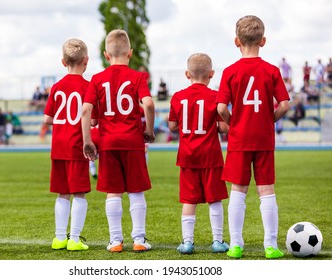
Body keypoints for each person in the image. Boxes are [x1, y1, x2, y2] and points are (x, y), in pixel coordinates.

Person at [216, 15, 290, 259]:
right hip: (264, 138)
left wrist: (233, 122)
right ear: (264, 41)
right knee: (266, 190)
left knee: (238, 190)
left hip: (239, 138)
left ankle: (236, 245)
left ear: (237, 42)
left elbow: (220, 108)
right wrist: (270, 119)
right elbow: (285, 104)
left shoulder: (230, 71)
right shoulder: (271, 70)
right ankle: (271, 246)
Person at [81, 29, 155, 253]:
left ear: (106, 55)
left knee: (113, 191)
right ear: (130, 53)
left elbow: (86, 111)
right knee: (136, 191)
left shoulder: (97, 79)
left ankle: (115, 241)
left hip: (109, 142)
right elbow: (149, 104)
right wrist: (149, 130)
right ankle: (139, 239)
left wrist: (87, 140)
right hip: (132, 141)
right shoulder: (138, 77)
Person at [168, 53, 229, 254]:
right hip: (210, 155)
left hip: (187, 155)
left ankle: (187, 242)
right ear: (211, 74)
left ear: (187, 74)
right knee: (214, 199)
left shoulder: (177, 97)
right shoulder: (216, 96)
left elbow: (172, 125)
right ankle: (218, 241)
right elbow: (222, 128)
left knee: (189, 200)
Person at [43, 38, 91, 251]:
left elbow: (47, 119)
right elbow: (92, 118)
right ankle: (74, 239)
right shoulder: (89, 87)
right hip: (77, 145)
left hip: (58, 146)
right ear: (86, 61)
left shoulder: (56, 87)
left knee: (62, 193)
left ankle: (59, 237)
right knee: (79, 193)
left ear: (63, 62)